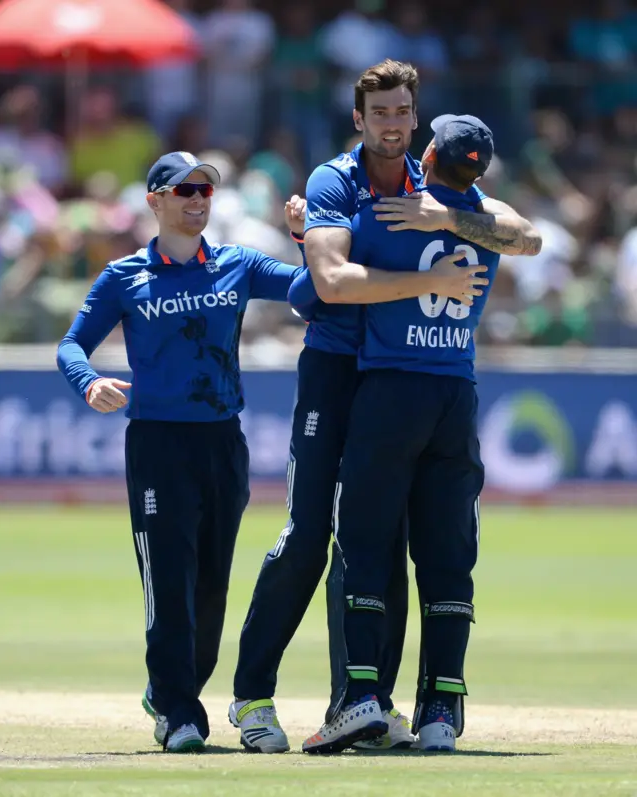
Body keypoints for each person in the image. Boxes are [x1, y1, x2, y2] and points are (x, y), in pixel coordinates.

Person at [229, 60, 540, 755]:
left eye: (404, 113)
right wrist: (423, 275)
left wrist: (447, 214)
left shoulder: (439, 182)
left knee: (384, 537)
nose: (394, 125)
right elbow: (333, 282)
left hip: (396, 372)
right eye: (382, 115)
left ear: (416, 119)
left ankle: (365, 702)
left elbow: (522, 233)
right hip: (339, 364)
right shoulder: (336, 179)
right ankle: (253, 695)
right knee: (313, 534)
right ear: (359, 120)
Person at [56, 151, 306, 754]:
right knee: (167, 580)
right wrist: (89, 382)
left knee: (210, 585)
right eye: (185, 190)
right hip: (158, 443)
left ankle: (171, 689)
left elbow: (310, 291)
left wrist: (304, 237)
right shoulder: (124, 277)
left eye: (205, 191)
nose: (198, 200)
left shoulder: (236, 265)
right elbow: (71, 346)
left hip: (223, 441)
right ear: (155, 201)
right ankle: (177, 711)